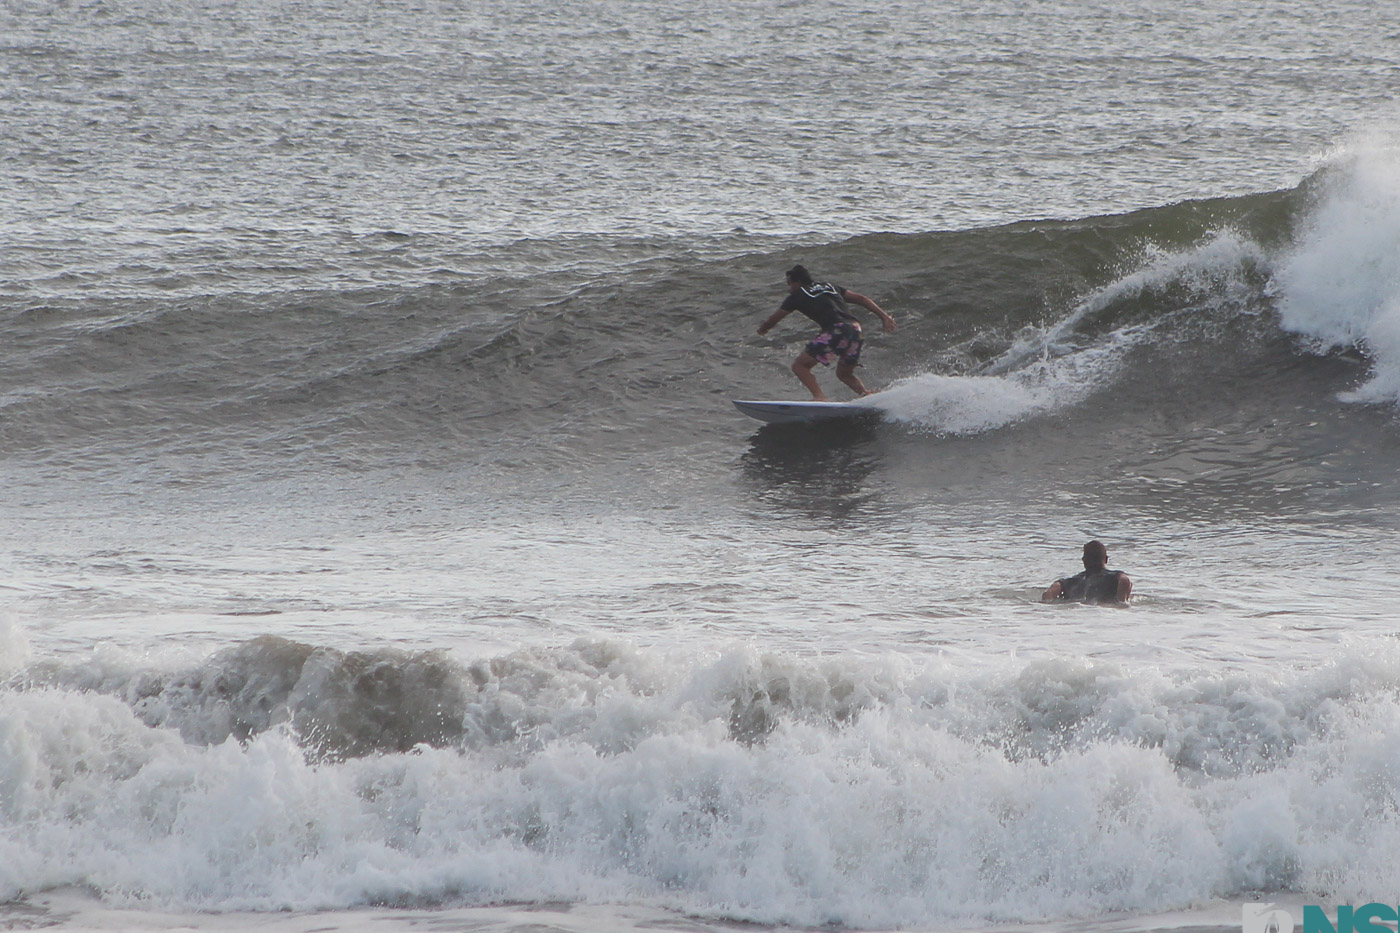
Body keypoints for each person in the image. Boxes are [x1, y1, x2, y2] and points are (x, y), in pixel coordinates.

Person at [756, 264, 897, 401]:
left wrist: (763, 329)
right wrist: (884, 317)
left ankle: (819, 397)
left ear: (798, 282)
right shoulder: (830, 287)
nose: (789, 289)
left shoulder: (797, 295)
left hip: (836, 330)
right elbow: (861, 299)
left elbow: (775, 318)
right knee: (844, 374)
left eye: (790, 284)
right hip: (855, 329)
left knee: (800, 366)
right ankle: (865, 394)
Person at [1041, 540, 1132, 605]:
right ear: (1106, 559)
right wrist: (1122, 602)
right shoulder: (1114, 577)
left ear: (1084, 560)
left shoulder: (1070, 582)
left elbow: (1048, 594)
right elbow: (1125, 581)